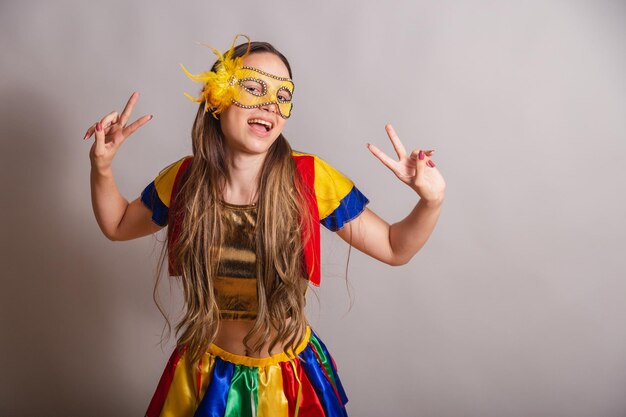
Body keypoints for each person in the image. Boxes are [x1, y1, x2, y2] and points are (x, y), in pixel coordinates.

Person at [85, 35, 445, 417]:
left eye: (282, 95)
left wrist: (431, 200)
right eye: (254, 88)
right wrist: (102, 168)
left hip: (286, 383)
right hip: (205, 376)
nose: (270, 104)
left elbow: (394, 247)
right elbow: (118, 224)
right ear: (217, 98)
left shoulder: (309, 177)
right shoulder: (185, 180)